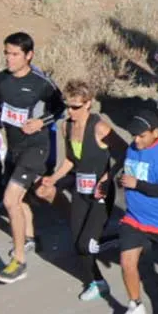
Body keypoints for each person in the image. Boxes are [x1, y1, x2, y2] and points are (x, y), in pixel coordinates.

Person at [0, 32, 64, 283]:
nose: (8, 59)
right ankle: (30, 237)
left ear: (28, 55)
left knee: (10, 200)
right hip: (14, 148)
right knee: (29, 196)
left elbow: (61, 108)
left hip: (36, 148)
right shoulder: (0, 80)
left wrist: (41, 121)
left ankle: (18, 262)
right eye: (6, 53)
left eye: (14, 54)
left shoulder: (42, 83)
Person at [37, 80, 124, 301]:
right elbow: (69, 159)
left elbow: (124, 152)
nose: (70, 111)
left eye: (75, 106)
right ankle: (97, 282)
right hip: (80, 189)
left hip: (101, 192)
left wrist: (108, 177)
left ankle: (108, 240)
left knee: (86, 244)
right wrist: (53, 178)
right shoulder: (66, 126)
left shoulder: (99, 127)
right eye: (67, 105)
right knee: (78, 242)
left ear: (88, 104)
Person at [116, 110, 158, 314]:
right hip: (134, 218)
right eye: (134, 135)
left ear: (155, 132)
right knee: (127, 262)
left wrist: (137, 184)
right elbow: (129, 173)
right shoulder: (132, 148)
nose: (136, 140)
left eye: (141, 135)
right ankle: (136, 306)